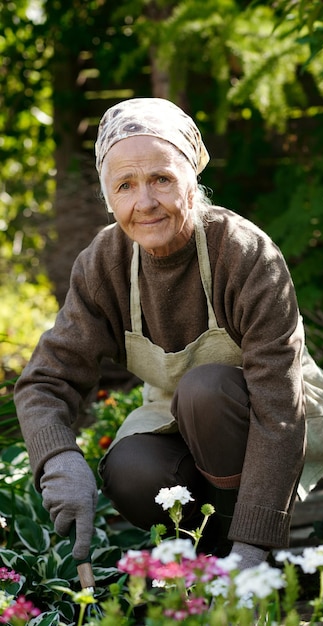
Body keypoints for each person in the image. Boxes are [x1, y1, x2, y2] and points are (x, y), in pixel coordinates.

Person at [14, 97, 307, 571]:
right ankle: (202, 560)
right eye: (125, 185)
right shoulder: (103, 263)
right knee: (131, 470)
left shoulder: (245, 255)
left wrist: (254, 545)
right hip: (172, 415)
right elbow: (46, 380)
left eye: (162, 179)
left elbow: (281, 408)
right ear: (108, 197)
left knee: (206, 390)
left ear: (192, 179)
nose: (145, 202)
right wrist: (59, 459)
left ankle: (249, 553)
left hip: (265, 421)